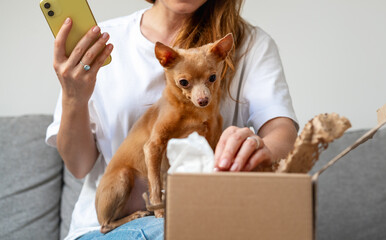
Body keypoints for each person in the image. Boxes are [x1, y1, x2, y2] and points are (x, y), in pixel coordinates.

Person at [46, 0, 298, 239]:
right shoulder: (104, 42)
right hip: (106, 227)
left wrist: (259, 149)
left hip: (204, 216)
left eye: (211, 79)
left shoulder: (249, 45)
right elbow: (78, 166)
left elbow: (281, 131)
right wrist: (73, 97)